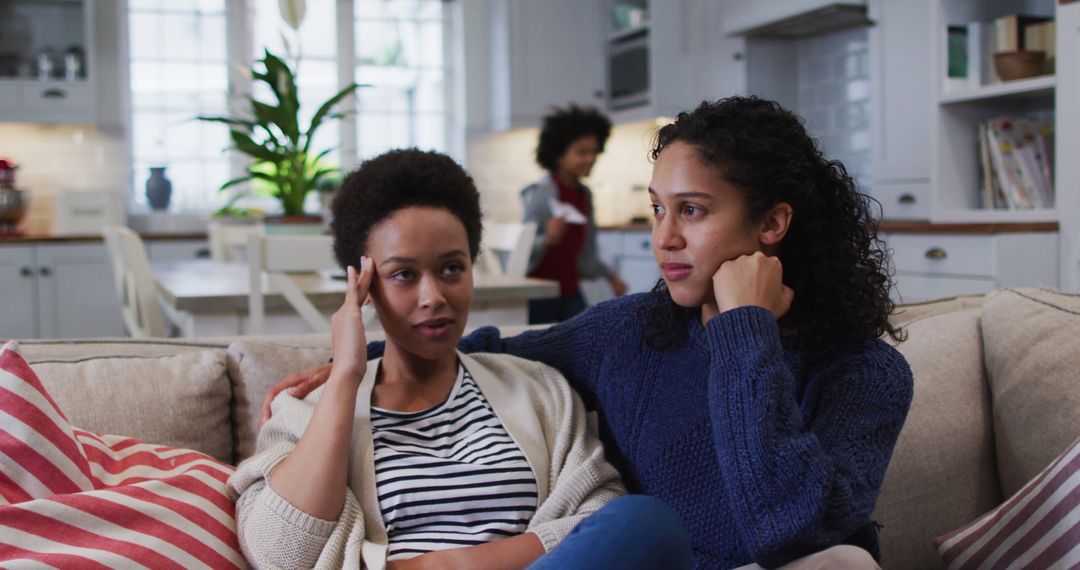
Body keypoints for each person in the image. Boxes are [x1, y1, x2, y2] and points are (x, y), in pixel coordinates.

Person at [263, 97, 915, 569]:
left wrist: (745, 332)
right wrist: (356, 361)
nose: (664, 238)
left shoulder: (866, 374)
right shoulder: (631, 333)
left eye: (692, 210)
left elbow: (792, 535)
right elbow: (486, 353)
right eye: (659, 209)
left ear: (771, 224)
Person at [229, 149, 691, 570]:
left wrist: (450, 564)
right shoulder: (310, 408)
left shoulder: (539, 390)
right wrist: (347, 373)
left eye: (452, 268)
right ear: (364, 287)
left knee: (645, 521)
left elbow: (599, 517)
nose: (434, 297)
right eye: (404, 275)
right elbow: (280, 555)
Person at [521, 105, 628, 324]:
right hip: (539, 294)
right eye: (582, 152)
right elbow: (522, 249)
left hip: (570, 291)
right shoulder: (541, 194)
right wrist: (547, 241)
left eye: (594, 152)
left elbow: (587, 251)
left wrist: (612, 276)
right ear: (558, 155)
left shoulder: (584, 195)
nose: (590, 158)